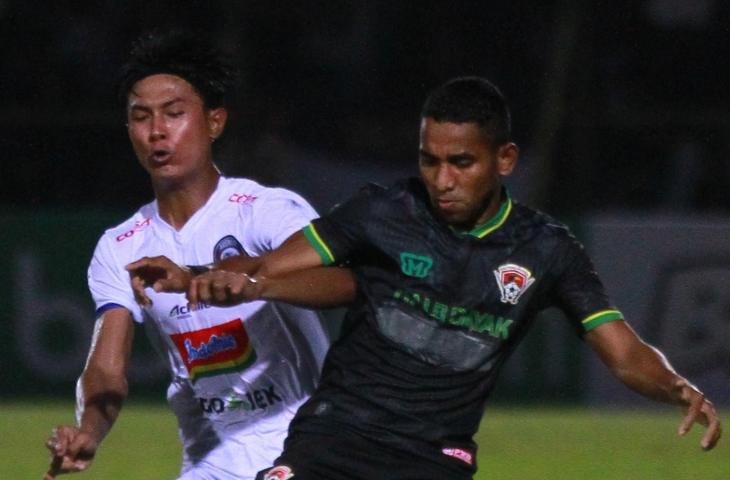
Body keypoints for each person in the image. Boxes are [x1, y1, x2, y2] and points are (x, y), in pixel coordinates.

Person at [133, 77, 722, 480]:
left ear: (505, 159)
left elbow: (621, 351)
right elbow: (268, 267)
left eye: (461, 162)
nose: (442, 178)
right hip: (333, 438)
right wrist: (198, 276)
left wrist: (675, 386)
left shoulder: (547, 250)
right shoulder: (382, 211)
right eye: (429, 159)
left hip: (432, 457)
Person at [44, 30, 353, 480]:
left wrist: (254, 284)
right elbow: (107, 369)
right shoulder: (120, 246)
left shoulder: (266, 213)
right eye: (140, 117)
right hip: (211, 462)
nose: (156, 131)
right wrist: (89, 431)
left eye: (174, 113)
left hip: (306, 448)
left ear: (214, 122)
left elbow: (345, 283)